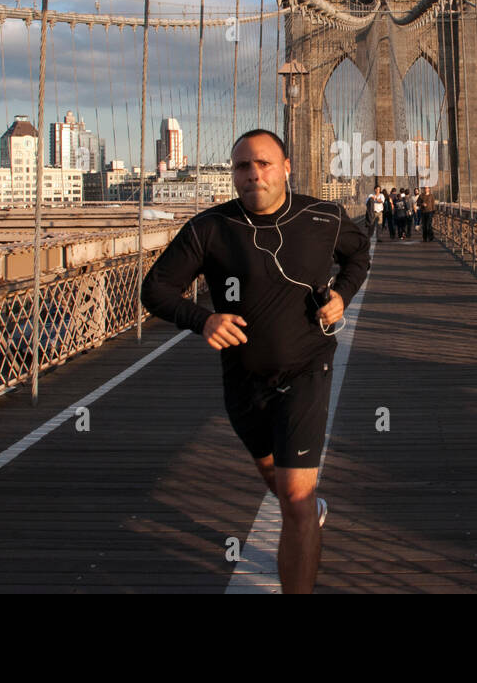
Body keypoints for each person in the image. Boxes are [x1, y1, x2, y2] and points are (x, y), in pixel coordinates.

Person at [140, 129, 371, 594]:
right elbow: (155, 289)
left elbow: (359, 255)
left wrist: (342, 296)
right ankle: (302, 506)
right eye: (242, 166)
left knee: (296, 497)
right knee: (274, 476)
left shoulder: (323, 217)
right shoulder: (209, 228)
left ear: (287, 167)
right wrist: (201, 319)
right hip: (244, 379)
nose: (253, 174)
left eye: (264, 163)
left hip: (307, 368)